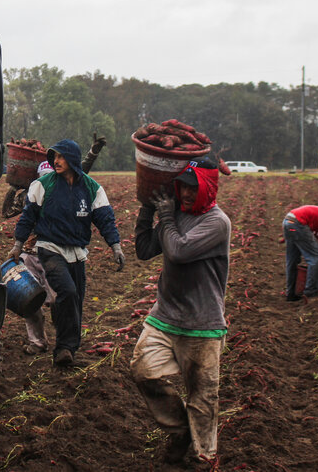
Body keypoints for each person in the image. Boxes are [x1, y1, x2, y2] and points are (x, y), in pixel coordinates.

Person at [130, 156, 231, 464]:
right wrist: (148, 209)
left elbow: (179, 250)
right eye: (182, 187)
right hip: (165, 317)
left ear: (208, 188)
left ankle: (204, 457)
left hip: (202, 324)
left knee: (202, 397)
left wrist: (167, 217)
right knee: (143, 372)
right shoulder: (175, 214)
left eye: (193, 188)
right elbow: (145, 250)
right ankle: (180, 429)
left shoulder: (217, 222)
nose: (186, 194)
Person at [7, 139, 124, 367]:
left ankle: (65, 349)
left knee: (75, 302)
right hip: (50, 249)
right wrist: (17, 245)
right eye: (55, 157)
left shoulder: (91, 188)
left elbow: (105, 219)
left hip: (77, 252)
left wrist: (116, 246)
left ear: (72, 159)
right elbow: (28, 217)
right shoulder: (43, 185)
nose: (56, 161)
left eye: (61, 157)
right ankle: (63, 346)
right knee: (67, 292)